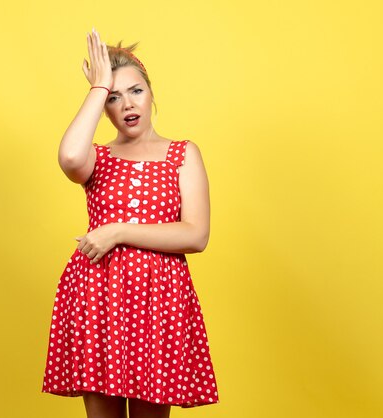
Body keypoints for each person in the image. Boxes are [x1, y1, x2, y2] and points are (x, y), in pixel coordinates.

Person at [42, 27, 220, 418]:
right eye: (114, 98)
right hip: (98, 296)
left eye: (135, 91)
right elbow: (70, 157)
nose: (126, 105)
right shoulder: (97, 158)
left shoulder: (182, 154)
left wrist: (118, 231)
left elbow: (196, 234)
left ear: (151, 92)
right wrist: (97, 87)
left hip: (160, 302)